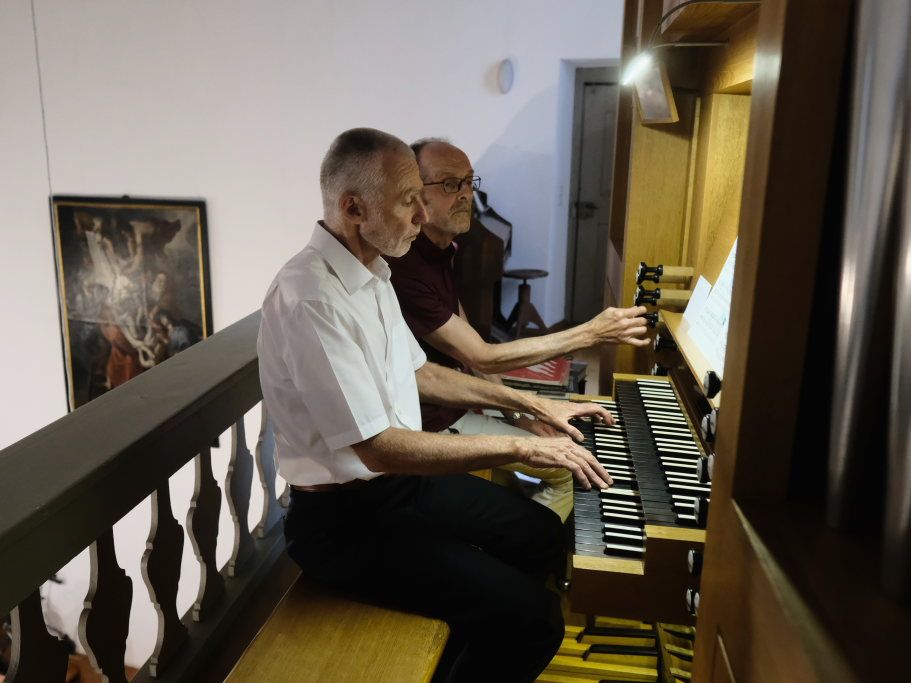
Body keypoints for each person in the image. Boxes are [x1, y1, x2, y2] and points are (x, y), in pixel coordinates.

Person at [257, 128, 616, 683]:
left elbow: (421, 373)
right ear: (354, 208)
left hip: (398, 489)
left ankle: (470, 644)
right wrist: (521, 446)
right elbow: (377, 448)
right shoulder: (310, 298)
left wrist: (532, 406)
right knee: (537, 621)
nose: (422, 216)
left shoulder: (374, 271)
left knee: (542, 536)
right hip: (343, 524)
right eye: (409, 202)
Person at [387, 138, 649, 521]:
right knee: (567, 469)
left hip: (456, 405)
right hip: (432, 425)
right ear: (415, 194)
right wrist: (590, 333)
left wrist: (520, 416)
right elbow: (482, 356)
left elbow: (472, 353)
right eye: (449, 184)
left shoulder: (441, 251)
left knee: (541, 460)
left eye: (469, 182)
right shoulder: (406, 265)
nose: (465, 194)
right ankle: (538, 547)